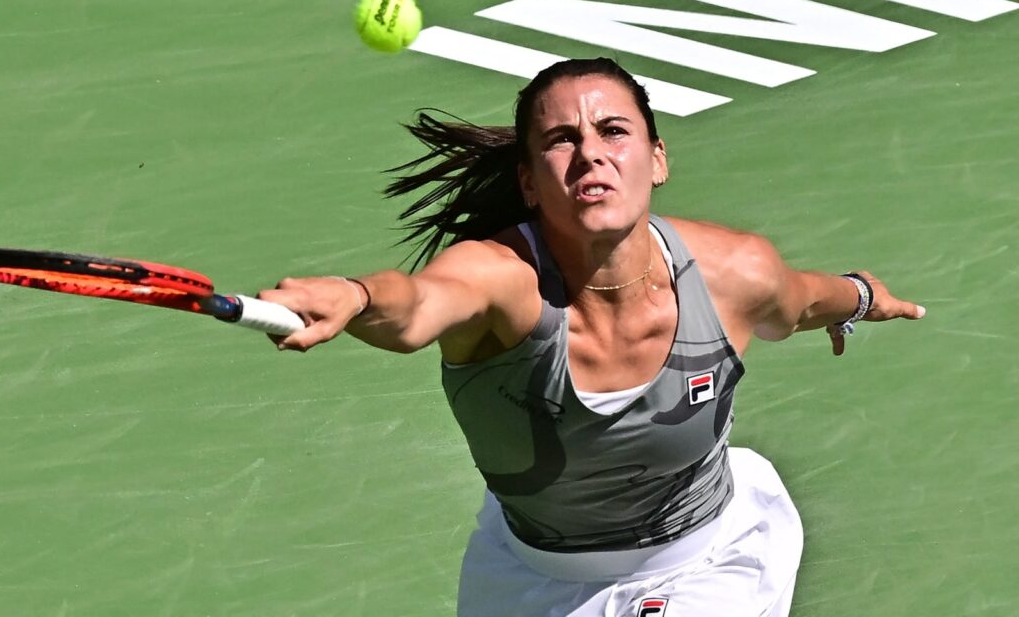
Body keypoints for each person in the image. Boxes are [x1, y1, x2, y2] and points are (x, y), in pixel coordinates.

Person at [258, 58, 925, 616]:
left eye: (614, 131)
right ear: (528, 180)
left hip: (710, 563)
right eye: (560, 141)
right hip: (529, 582)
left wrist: (863, 298)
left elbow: (806, 300)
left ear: (657, 159)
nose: (591, 155)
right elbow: (416, 307)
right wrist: (357, 294)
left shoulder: (733, 272)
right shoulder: (501, 281)